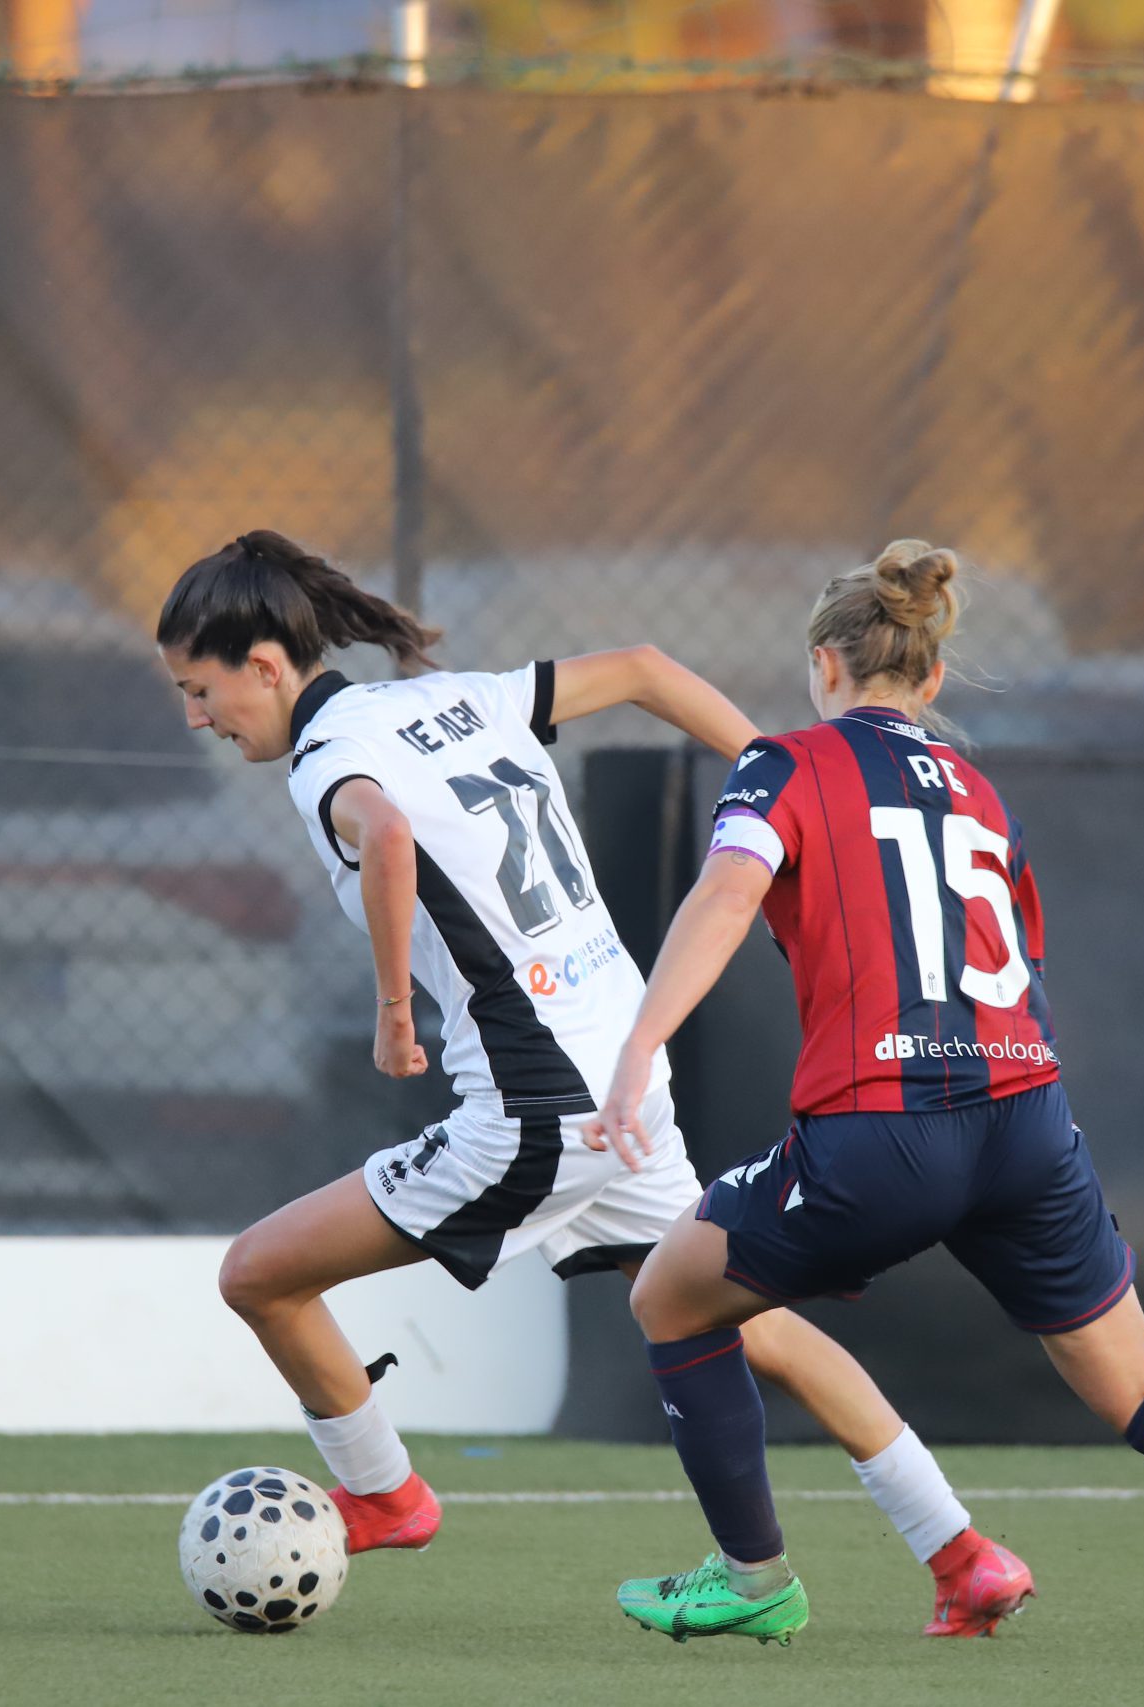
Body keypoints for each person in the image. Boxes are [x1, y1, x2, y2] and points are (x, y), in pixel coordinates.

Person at [154, 530, 1033, 1637]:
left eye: (200, 689)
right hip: (625, 1080)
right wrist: (788, 781)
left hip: (533, 1112)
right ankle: (959, 1551)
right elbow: (649, 670)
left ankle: (384, 1495)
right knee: (747, 1318)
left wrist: (392, 1010)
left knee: (258, 1276)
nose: (198, 717)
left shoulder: (329, 757)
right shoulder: (460, 697)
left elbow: (385, 834)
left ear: (266, 664)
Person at [584, 540, 1144, 1664]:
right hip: (1026, 1118)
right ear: (931, 676)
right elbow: (1022, 962)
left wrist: (641, 1044)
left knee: (670, 1297)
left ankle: (753, 1579)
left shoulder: (781, 762)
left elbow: (729, 893)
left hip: (882, 1128)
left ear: (823, 665)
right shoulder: (979, 790)